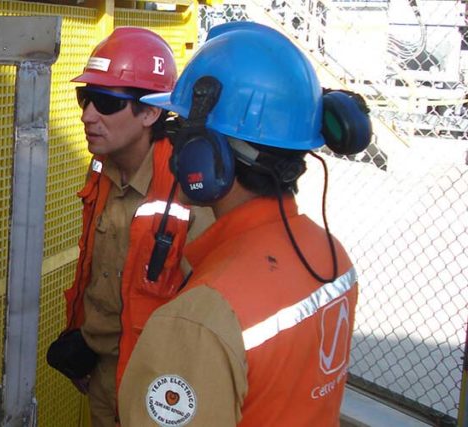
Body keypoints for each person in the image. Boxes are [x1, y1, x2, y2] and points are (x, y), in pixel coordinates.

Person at [118, 21, 369, 426]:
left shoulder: (201, 319)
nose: (173, 148)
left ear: (205, 153)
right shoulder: (332, 257)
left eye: (180, 132)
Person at [51, 27, 213, 427]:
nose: (88, 115)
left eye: (106, 102)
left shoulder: (189, 191)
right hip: (102, 371)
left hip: (161, 387)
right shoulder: (105, 169)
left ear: (151, 112)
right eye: (85, 98)